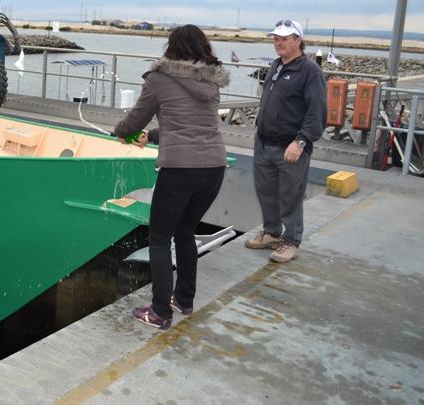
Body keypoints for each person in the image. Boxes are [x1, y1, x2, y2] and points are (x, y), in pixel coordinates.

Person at [113, 25, 229, 330]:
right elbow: (190, 123)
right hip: (214, 168)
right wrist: (152, 136)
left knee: (160, 238)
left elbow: (136, 118)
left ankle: (160, 312)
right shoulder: (211, 81)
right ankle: (184, 299)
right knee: (185, 232)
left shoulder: (159, 78)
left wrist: (121, 132)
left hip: (179, 169)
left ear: (171, 48)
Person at [245, 19, 326, 263]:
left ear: (298, 40)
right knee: (266, 192)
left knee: (291, 195)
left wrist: (301, 141)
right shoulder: (276, 65)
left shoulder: (310, 71)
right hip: (265, 142)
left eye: (284, 38)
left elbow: (317, 112)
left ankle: (291, 241)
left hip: (290, 146)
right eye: (276, 38)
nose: (278, 43)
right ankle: (272, 233)